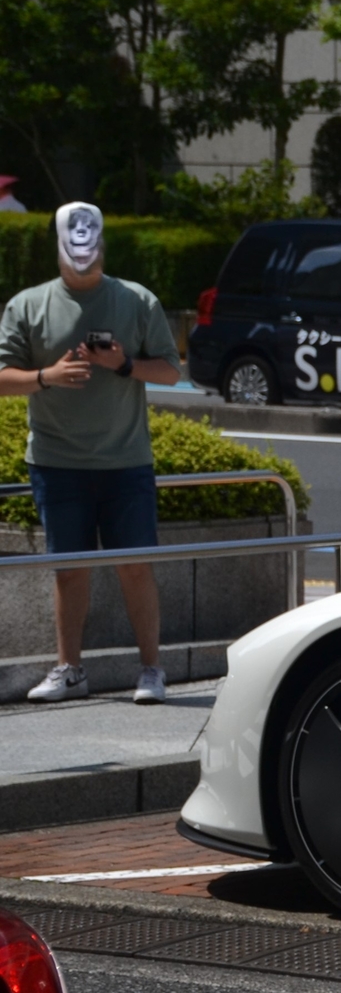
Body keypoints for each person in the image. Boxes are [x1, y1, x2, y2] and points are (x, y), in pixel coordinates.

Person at [0, 203, 183, 702]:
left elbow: (170, 370)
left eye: (92, 249)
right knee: (69, 570)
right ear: (58, 250)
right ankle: (69, 669)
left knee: (136, 566)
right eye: (73, 251)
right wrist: (46, 377)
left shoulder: (137, 300)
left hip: (126, 461)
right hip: (57, 463)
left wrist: (124, 364)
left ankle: (152, 669)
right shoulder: (27, 305)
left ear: (102, 245)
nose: (84, 259)